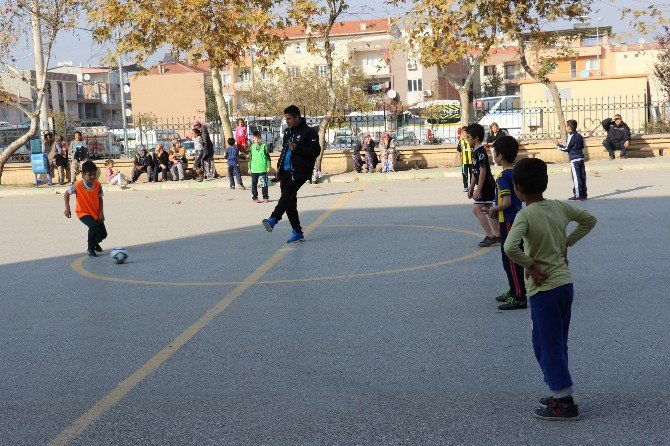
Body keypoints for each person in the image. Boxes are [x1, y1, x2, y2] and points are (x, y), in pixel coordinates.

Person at [503, 157, 597, 421]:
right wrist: (566, 243)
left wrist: (530, 266)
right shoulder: (558, 207)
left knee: (546, 344)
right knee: (556, 341)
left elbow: (510, 247)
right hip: (565, 286)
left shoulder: (525, 214)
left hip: (544, 289)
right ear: (544, 184)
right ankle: (558, 391)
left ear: (518, 188)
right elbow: (589, 220)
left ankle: (564, 402)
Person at [262, 105, 320, 243]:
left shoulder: (309, 132)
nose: (287, 121)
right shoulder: (288, 132)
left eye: (289, 118)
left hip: (300, 171)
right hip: (286, 170)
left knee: (286, 195)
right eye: (286, 118)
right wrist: (279, 167)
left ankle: (273, 219)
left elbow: (315, 152)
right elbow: (285, 151)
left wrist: (299, 148)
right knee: (289, 201)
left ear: (297, 117)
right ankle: (297, 232)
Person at [487, 136, 527, 310]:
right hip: (516, 219)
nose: (493, 156)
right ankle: (514, 290)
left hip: (509, 220)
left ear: (500, 156)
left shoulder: (502, 175)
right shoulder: (517, 171)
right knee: (511, 259)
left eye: (494, 153)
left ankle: (519, 296)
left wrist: (494, 210)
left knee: (510, 260)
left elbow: (507, 202)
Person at [63, 160, 108, 257]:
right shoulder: (78, 185)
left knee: (103, 234)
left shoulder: (98, 184)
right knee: (93, 227)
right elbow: (66, 193)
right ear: (83, 175)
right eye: (89, 175)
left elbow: (100, 199)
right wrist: (67, 208)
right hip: (83, 212)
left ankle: (94, 243)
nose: (92, 177)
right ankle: (90, 248)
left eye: (94, 174)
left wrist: (101, 213)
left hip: (95, 212)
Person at [465, 123, 500, 247]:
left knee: (476, 209)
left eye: (468, 137)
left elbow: (483, 171)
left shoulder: (481, 152)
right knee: (489, 208)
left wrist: (478, 190)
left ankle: (490, 236)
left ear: (476, 138)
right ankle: (498, 235)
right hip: (482, 184)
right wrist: (471, 188)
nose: (466, 139)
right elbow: (475, 172)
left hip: (486, 185)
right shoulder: (475, 151)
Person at [557, 119, 587, 201]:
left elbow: (567, 148)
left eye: (566, 126)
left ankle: (578, 195)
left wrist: (558, 145)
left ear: (569, 128)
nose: (566, 128)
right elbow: (582, 146)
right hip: (581, 158)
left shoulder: (571, 136)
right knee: (582, 176)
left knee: (576, 177)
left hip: (574, 160)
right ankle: (584, 194)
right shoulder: (579, 136)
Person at [248, 131, 270, 203]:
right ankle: (255, 197)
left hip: (263, 168)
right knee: (254, 183)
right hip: (254, 169)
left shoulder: (264, 146)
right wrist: (249, 167)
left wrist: (268, 166)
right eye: (255, 139)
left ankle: (265, 197)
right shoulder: (252, 147)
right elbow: (250, 158)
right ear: (253, 139)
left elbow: (267, 157)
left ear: (261, 138)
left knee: (264, 183)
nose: (257, 140)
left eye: (258, 138)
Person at [456, 126, 472, 192]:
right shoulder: (461, 142)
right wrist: (459, 159)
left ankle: (471, 186)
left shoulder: (471, 141)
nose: (465, 134)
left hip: (472, 161)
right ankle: (465, 187)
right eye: (464, 132)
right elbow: (459, 151)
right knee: (464, 174)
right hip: (464, 161)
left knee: (472, 174)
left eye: (467, 132)